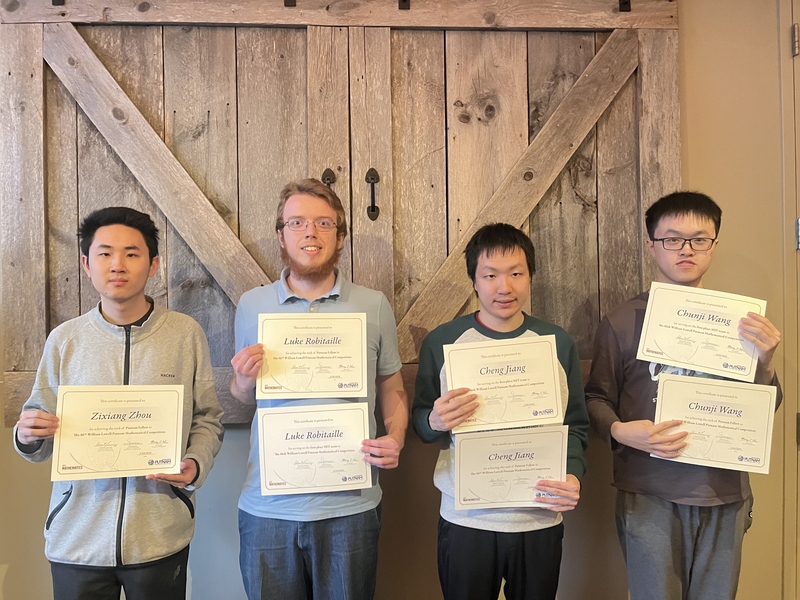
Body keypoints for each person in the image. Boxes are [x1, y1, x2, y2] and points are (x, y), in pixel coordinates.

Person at [14, 206, 224, 600]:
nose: (117, 264)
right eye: (105, 253)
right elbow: (36, 428)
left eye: (132, 253)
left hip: (160, 534)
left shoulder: (185, 335)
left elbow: (208, 417)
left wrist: (195, 464)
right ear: (86, 263)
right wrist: (27, 433)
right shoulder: (64, 340)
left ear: (154, 264)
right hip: (77, 536)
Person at [585, 191, 782, 600]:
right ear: (652, 245)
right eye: (673, 239)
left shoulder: (741, 323)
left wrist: (765, 362)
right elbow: (595, 399)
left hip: (724, 492)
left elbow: (766, 408)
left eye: (699, 239)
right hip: (648, 492)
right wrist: (621, 431)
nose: (686, 249)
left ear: (714, 244)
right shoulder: (621, 321)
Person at [230, 178, 408, 600]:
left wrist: (396, 436)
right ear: (281, 235)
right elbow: (244, 397)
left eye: (323, 223)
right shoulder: (252, 305)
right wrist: (242, 380)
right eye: (297, 222)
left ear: (340, 236)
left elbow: (391, 385)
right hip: (268, 505)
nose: (310, 232)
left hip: (350, 505)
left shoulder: (373, 304)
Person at [411, 222, 589, 600]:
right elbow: (421, 423)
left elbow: (575, 425)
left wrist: (572, 475)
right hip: (466, 519)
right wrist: (434, 420)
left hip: (538, 515)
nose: (503, 287)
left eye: (516, 273)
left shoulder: (557, 343)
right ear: (474, 280)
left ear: (530, 277)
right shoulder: (443, 341)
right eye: (490, 275)